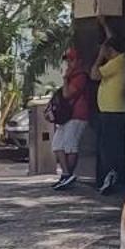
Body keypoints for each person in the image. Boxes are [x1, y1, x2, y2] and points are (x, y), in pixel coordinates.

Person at [92, 25, 125, 197]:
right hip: (110, 110)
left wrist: (100, 56)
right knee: (109, 146)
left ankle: (112, 178)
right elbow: (112, 39)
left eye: (106, 50)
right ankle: (111, 177)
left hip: (113, 111)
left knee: (110, 148)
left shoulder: (116, 63)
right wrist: (105, 24)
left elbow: (94, 74)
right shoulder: (120, 59)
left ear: (110, 50)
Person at [49, 46, 94, 190]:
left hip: (78, 115)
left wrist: (65, 79)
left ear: (79, 61)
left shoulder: (80, 76)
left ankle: (69, 174)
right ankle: (65, 174)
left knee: (70, 146)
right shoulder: (71, 76)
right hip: (66, 116)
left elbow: (68, 94)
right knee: (57, 144)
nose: (69, 63)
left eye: (71, 60)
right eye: (67, 60)